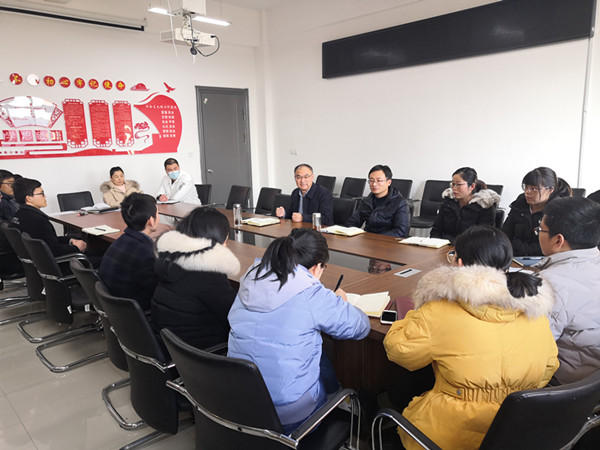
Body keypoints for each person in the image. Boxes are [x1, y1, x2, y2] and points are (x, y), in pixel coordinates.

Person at [383, 225, 558, 450]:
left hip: (451, 435)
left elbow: (399, 352)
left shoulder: (440, 309)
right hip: (516, 429)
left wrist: (417, 313)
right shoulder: (535, 311)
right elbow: (549, 367)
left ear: (459, 263)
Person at [228, 228, 370, 433]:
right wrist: (339, 301)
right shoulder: (311, 294)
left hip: (237, 402)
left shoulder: (250, 278)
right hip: (290, 417)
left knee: (309, 346)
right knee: (316, 351)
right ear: (317, 267)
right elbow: (361, 326)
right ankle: (339, 403)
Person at [152, 207, 240, 349]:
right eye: (225, 240)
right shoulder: (208, 272)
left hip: (168, 345)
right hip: (197, 352)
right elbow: (235, 315)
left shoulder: (170, 259)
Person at [535, 197, 600, 385]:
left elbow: (534, 347)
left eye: (540, 230)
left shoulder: (551, 284)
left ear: (558, 240)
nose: (538, 234)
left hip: (571, 385)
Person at [98, 193, 160, 311]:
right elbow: (158, 288)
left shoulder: (120, 241)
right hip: (132, 309)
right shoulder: (145, 253)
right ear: (151, 221)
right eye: (158, 213)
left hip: (113, 306)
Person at [502, 167, 571, 256]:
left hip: (546, 259)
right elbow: (504, 235)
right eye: (526, 187)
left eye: (534, 189)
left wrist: (519, 246)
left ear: (550, 190)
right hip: (516, 257)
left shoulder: (559, 210)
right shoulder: (520, 203)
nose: (527, 192)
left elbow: (554, 246)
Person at [10, 178, 87, 256]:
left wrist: (69, 240)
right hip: (58, 260)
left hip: (36, 259)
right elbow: (55, 251)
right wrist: (77, 248)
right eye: (41, 194)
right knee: (94, 254)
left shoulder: (18, 215)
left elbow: (48, 240)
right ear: (29, 198)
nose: (45, 196)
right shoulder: (38, 220)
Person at [430, 167, 500, 242]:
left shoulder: (484, 206)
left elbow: (484, 237)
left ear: (472, 186)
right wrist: (435, 243)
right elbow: (436, 230)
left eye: (458, 184)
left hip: (470, 247)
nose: (454, 188)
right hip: (445, 245)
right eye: (453, 184)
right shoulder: (448, 203)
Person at [346, 164, 410, 237]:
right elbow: (353, 222)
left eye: (379, 180)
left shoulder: (400, 203)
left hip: (387, 241)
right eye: (371, 180)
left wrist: (376, 238)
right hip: (367, 239)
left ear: (389, 182)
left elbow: (401, 231)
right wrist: (350, 232)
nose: (374, 184)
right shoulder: (367, 201)